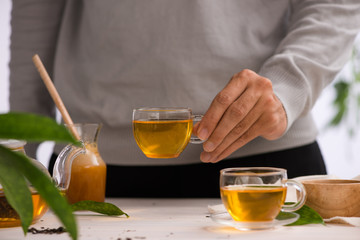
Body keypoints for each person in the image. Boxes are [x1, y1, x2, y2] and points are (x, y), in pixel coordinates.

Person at [9, 0, 360, 197]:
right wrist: (19, 150)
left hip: (261, 162)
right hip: (91, 169)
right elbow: (35, 9)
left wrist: (286, 89)